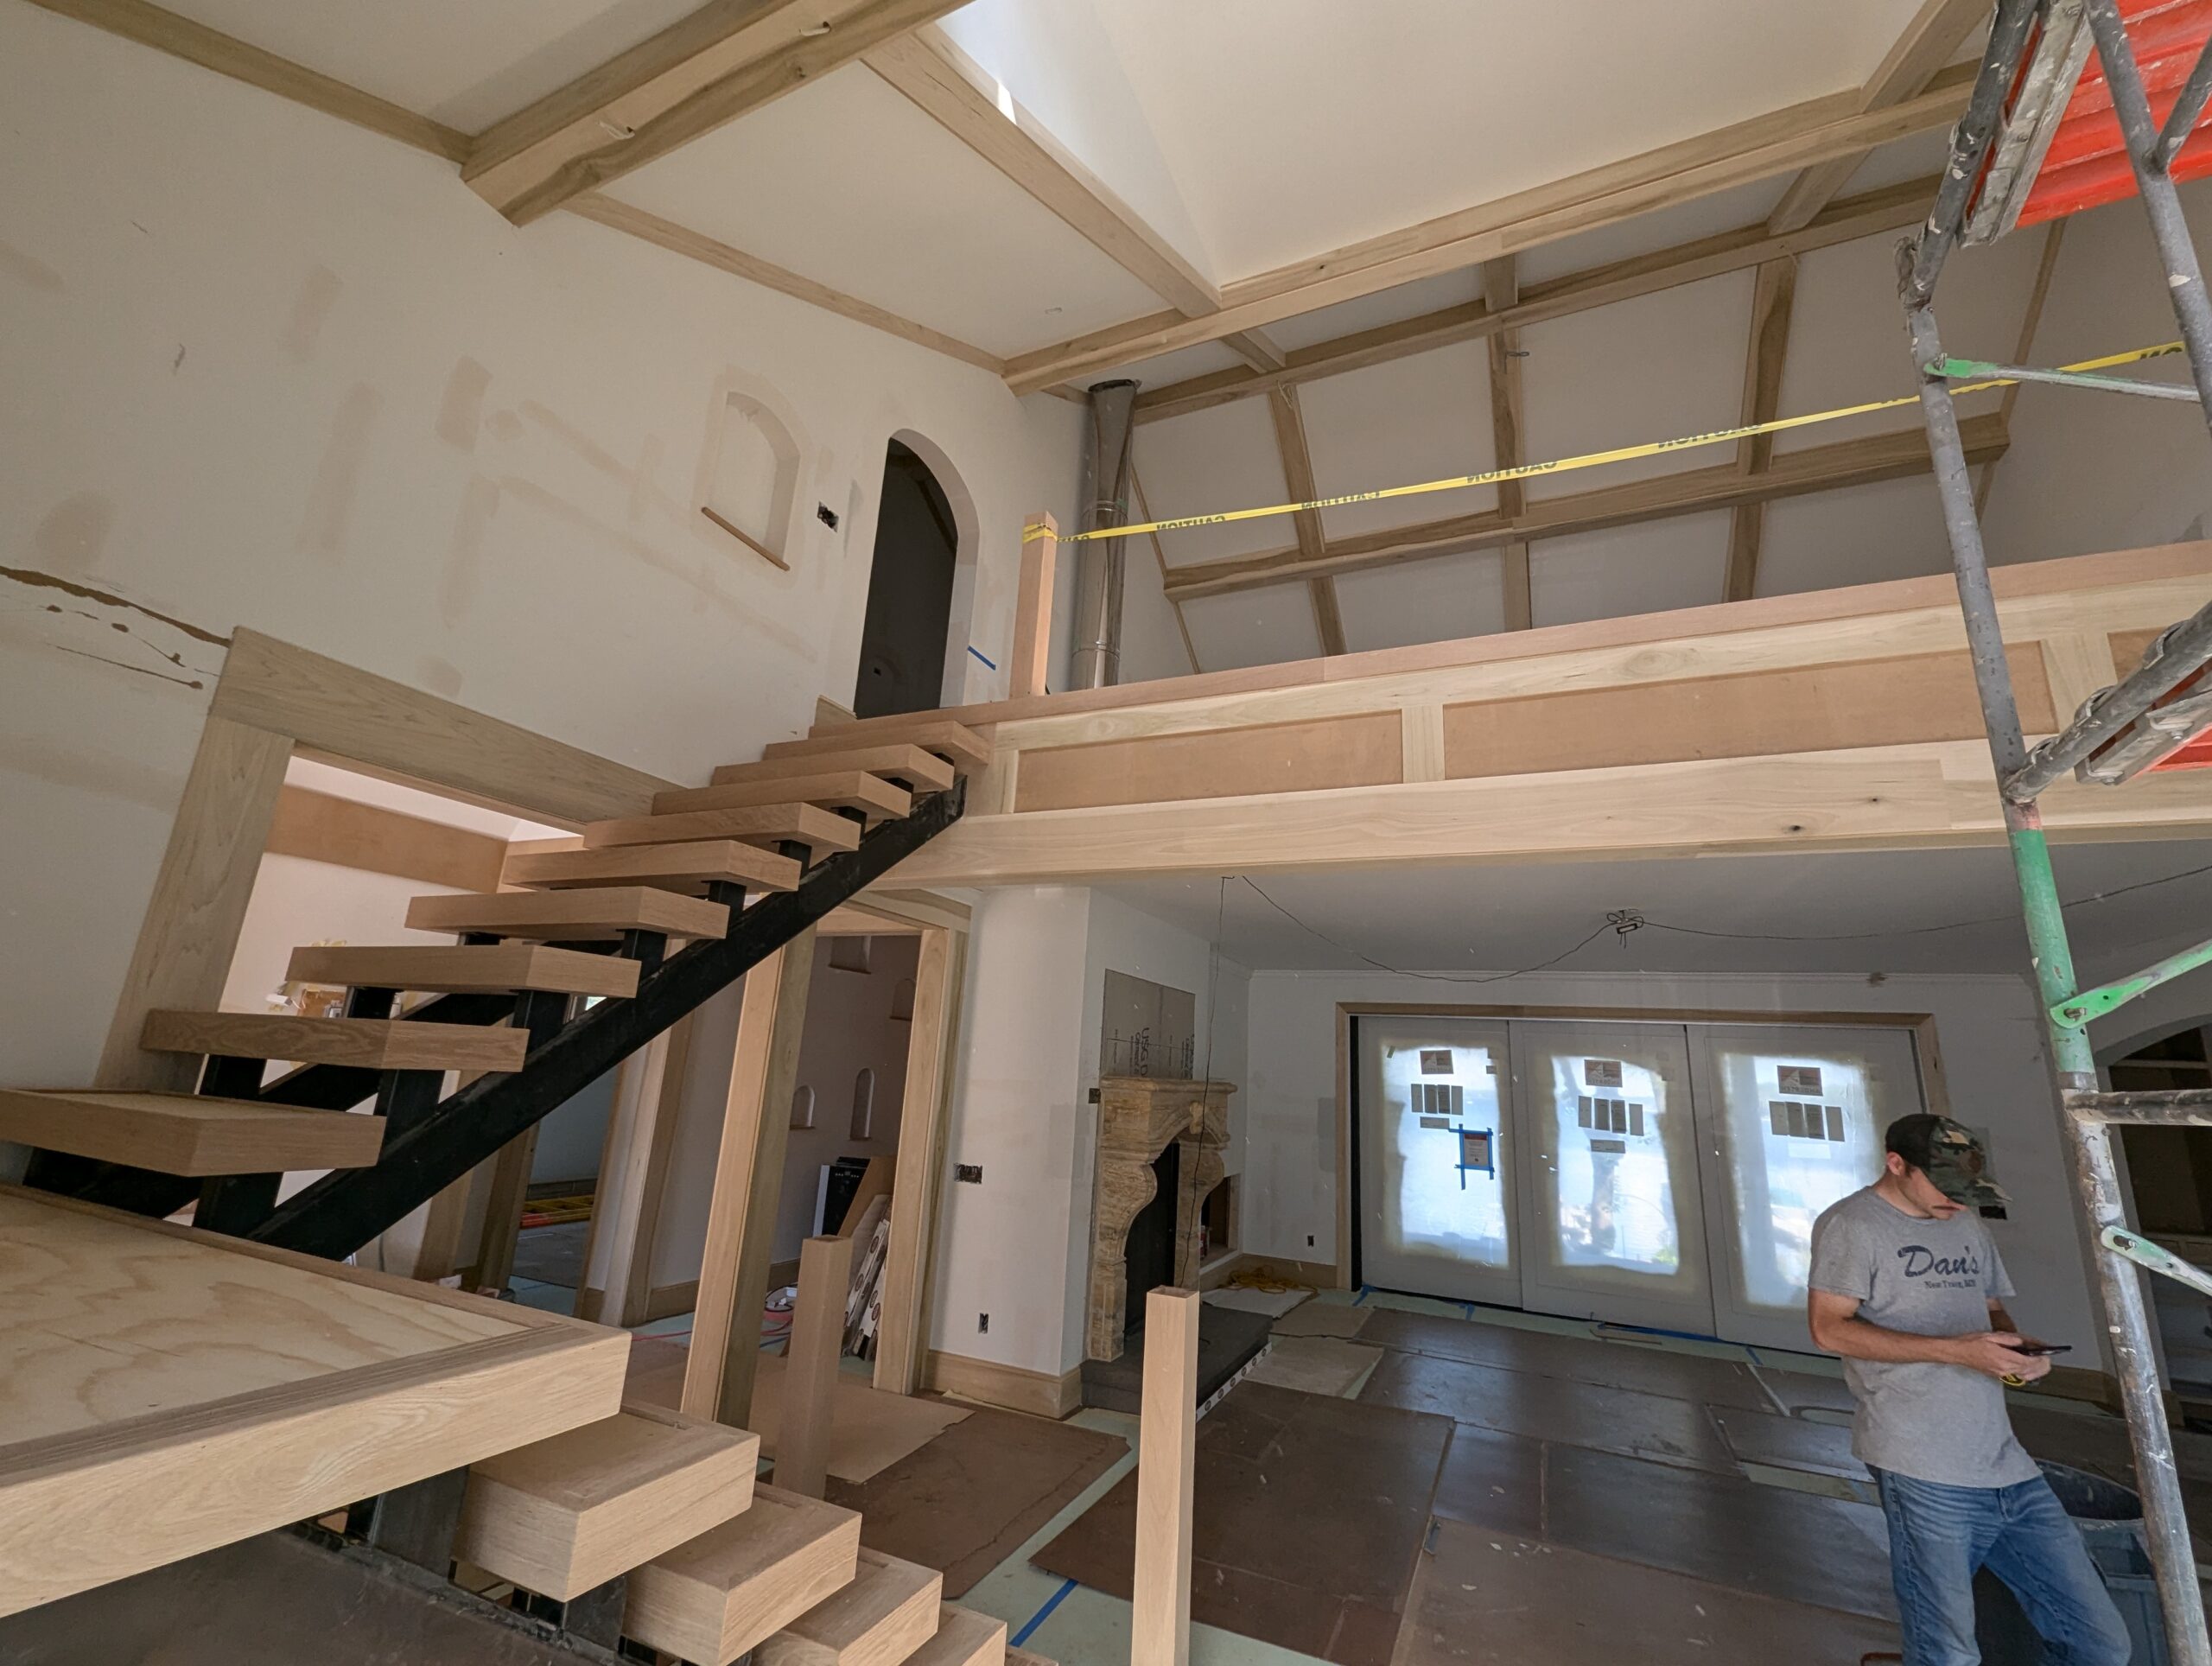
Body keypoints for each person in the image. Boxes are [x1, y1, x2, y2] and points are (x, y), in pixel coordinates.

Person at [1808, 1113, 2131, 1666]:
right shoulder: (1852, 1226)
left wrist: (2015, 1353)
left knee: (2102, 1643)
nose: (1958, 1202)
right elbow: (1828, 1329)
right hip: (1918, 1463)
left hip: (2005, 1462)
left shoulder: (1968, 1227)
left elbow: (1991, 1309)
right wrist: (1957, 1350)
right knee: (1947, 1651)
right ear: (1896, 1165)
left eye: (1968, 1190)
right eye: (1945, 1187)